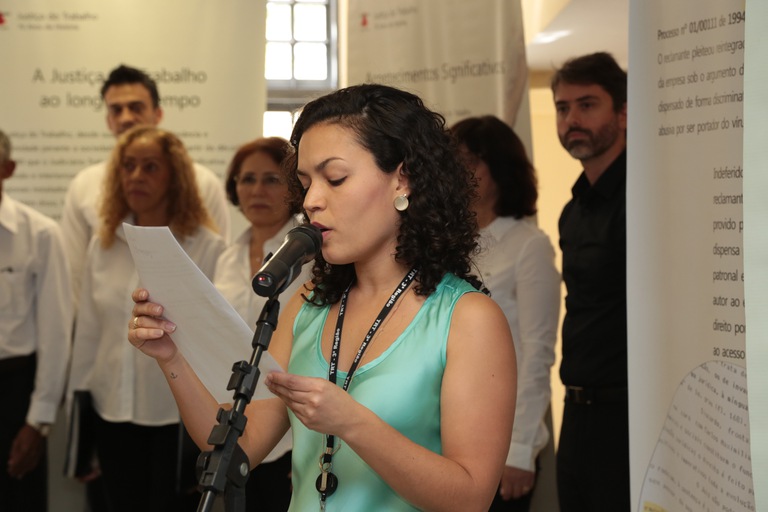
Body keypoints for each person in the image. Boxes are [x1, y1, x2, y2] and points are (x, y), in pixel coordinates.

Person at [128, 83, 517, 511]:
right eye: (305, 183)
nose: (312, 201)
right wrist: (172, 358)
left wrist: (352, 423)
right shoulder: (308, 303)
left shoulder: (468, 318)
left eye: (335, 179)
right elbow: (242, 447)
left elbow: (470, 498)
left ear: (402, 179)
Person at [66, 126, 225, 512]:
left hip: (176, 417)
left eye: (150, 167)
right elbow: (88, 333)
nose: (136, 176)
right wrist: (80, 418)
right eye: (128, 166)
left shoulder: (206, 247)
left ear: (175, 177)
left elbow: (213, 341)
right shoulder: (103, 243)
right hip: (109, 409)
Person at [450, 115, 560, 512]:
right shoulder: (447, 243)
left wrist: (520, 449)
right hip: (442, 432)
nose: (460, 173)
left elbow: (538, 352)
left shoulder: (529, 245)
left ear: (500, 168)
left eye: (470, 162)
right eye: (453, 163)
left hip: (499, 437)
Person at [60, 64, 230, 306]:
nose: (126, 117)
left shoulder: (203, 182)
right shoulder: (83, 185)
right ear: (108, 120)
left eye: (136, 107)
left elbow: (214, 274)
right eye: (116, 110)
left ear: (157, 114)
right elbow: (76, 273)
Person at [550, 52, 628, 511]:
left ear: (623, 112)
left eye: (587, 105)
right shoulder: (573, 210)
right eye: (563, 108)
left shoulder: (643, 198)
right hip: (577, 410)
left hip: (629, 415)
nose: (572, 120)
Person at [214, 136, 310, 509]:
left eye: (271, 179)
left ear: (295, 188)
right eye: (247, 179)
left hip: (291, 428)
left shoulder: (311, 259)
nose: (257, 190)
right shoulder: (227, 256)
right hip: (232, 415)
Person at [0, 129, 73, 512]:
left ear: (7, 168)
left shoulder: (41, 234)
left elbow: (56, 334)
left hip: (12, 396)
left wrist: (38, 421)